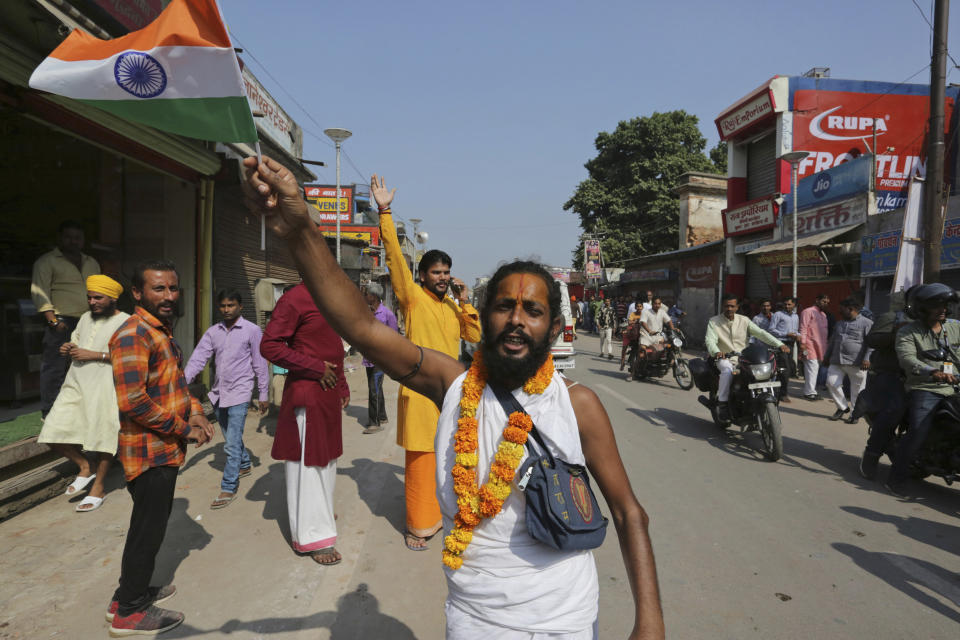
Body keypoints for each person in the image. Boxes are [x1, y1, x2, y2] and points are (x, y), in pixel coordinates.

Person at [242, 155, 665, 639]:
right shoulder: (453, 384)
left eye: (533, 310)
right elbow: (358, 326)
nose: (517, 320)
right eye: (505, 306)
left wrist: (649, 623)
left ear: (552, 327)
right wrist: (300, 231)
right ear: (484, 318)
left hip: (564, 619)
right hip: (475, 621)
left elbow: (630, 511)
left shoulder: (578, 402)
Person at [373, 174, 483, 551]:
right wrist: (384, 212)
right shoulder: (413, 298)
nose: (442, 278)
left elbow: (473, 336)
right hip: (420, 390)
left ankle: (448, 514)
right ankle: (419, 525)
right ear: (423, 275)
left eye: (446, 273)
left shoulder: (451, 305)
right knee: (421, 459)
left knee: (453, 455)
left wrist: (464, 300)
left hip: (452, 390)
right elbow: (394, 260)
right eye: (436, 273)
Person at [107, 260, 214, 636]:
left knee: (148, 529)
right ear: (137, 293)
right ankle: (129, 614)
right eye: (159, 289)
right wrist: (184, 428)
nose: (169, 296)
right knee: (147, 532)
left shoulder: (160, 332)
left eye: (173, 288)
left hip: (164, 449)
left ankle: (126, 596)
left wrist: (196, 412)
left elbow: (177, 385)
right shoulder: (133, 334)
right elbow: (133, 401)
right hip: (148, 451)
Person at [260, 282, 350, 564]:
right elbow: (270, 345)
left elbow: (335, 346)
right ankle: (313, 537)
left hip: (329, 394)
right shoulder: (295, 298)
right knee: (309, 465)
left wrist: (343, 385)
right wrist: (314, 368)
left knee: (327, 462)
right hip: (308, 392)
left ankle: (320, 513)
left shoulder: (332, 295)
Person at [37, 275, 129, 512]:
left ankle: (99, 486)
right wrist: (68, 347)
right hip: (76, 382)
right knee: (51, 431)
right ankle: (86, 465)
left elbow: (131, 358)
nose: (92, 302)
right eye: (89, 297)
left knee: (103, 436)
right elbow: (76, 341)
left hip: (105, 386)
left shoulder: (128, 322)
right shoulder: (86, 318)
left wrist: (95, 355)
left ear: (113, 298)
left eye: (98, 297)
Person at [184, 289, 270, 509]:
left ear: (240, 307)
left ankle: (228, 486)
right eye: (223, 306)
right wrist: (182, 382)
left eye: (231, 305)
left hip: (240, 392)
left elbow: (260, 363)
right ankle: (244, 463)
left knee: (231, 443)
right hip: (219, 393)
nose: (226, 309)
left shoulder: (252, 330)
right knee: (230, 437)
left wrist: (263, 393)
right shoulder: (213, 332)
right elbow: (198, 358)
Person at [887, 283, 960, 497]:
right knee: (918, 430)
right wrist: (931, 371)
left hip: (955, 386)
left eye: (945, 305)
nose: (943, 309)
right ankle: (896, 478)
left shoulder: (955, 327)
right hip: (926, 387)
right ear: (922, 307)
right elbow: (907, 358)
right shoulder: (908, 332)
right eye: (937, 305)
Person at [31, 220, 101, 417]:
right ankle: (50, 411)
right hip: (61, 320)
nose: (73, 241)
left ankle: (81, 408)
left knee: (87, 364)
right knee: (55, 365)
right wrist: (53, 321)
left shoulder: (91, 262)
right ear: (60, 238)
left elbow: (98, 291)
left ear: (83, 240)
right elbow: (40, 293)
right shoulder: (46, 261)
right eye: (69, 237)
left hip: (89, 320)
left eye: (77, 238)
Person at [706, 293, 790, 421]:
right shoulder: (714, 321)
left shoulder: (744, 320)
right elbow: (710, 341)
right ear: (722, 306)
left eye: (732, 306)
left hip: (743, 358)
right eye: (726, 306)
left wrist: (779, 344)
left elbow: (761, 334)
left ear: (737, 307)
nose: (729, 309)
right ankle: (723, 403)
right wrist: (717, 352)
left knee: (762, 371)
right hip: (724, 358)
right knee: (727, 370)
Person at [858, 298, 910, 481]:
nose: (941, 309)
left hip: (930, 378)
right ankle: (872, 453)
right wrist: (895, 332)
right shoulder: (894, 318)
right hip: (892, 374)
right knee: (893, 411)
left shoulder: (948, 326)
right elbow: (872, 340)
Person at [823, 298, 873, 423]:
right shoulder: (839, 324)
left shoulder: (867, 323)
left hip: (857, 363)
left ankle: (854, 415)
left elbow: (871, 344)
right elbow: (832, 341)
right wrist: (826, 356)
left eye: (842, 308)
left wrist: (867, 359)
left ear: (851, 309)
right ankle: (842, 407)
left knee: (857, 391)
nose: (839, 310)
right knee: (831, 382)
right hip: (837, 360)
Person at [362, 282, 399, 433]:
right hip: (368, 357)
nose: (365, 297)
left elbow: (394, 336)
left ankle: (374, 423)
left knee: (373, 389)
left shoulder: (387, 314)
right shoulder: (366, 312)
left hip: (380, 358)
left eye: (367, 294)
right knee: (376, 387)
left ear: (374, 296)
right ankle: (382, 415)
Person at [769, 297, 800, 403]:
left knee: (788, 368)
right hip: (780, 343)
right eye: (785, 304)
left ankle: (778, 390)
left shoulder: (796, 316)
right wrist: (785, 334)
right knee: (785, 368)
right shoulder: (778, 314)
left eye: (789, 304)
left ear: (794, 305)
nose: (787, 306)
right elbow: (771, 329)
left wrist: (798, 335)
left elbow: (796, 330)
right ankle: (783, 393)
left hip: (791, 344)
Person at [799, 293, 830, 400]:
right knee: (812, 368)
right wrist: (802, 344)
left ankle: (811, 390)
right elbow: (803, 328)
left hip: (820, 347)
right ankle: (809, 392)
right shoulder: (808, 311)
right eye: (823, 301)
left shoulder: (824, 315)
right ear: (817, 300)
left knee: (814, 369)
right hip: (809, 346)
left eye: (827, 303)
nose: (825, 304)